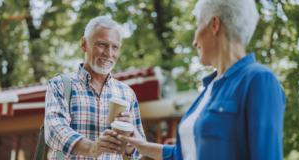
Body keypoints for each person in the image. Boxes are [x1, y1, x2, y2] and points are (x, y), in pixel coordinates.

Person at [118, 0, 286, 159]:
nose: (194, 42)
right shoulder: (209, 89)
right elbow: (189, 154)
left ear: (214, 25)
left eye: (197, 26)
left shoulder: (259, 79)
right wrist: (143, 146)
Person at [44, 16, 145, 160]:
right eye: (102, 44)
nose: (109, 54)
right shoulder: (60, 85)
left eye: (115, 47)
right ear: (84, 44)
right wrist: (91, 148)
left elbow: (136, 152)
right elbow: (54, 130)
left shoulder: (127, 93)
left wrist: (130, 135)